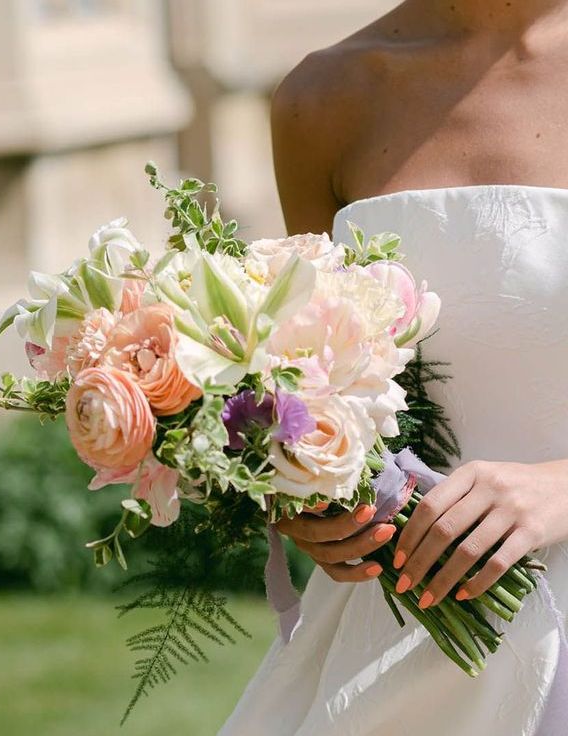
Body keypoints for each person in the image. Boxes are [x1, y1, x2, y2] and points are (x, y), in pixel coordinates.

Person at [219, 2, 568, 734]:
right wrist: (307, 494)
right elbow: (315, 374)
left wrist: (557, 488)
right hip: (404, 625)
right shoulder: (324, 98)